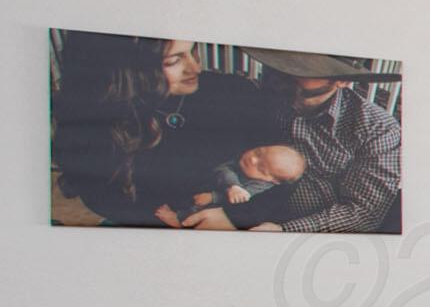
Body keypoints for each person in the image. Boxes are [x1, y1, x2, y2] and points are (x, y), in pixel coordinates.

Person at [50, 34, 273, 228]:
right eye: (173, 61)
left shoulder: (236, 94)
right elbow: (104, 200)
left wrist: (236, 217)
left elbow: (281, 179)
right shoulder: (94, 122)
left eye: (193, 51)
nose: (195, 68)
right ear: (126, 72)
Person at [181, 51, 403, 235]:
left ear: (342, 80)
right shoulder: (268, 95)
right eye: (282, 62)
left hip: (302, 232)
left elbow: (364, 213)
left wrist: (283, 230)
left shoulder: (377, 129)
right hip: (235, 195)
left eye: (304, 68)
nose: (283, 73)